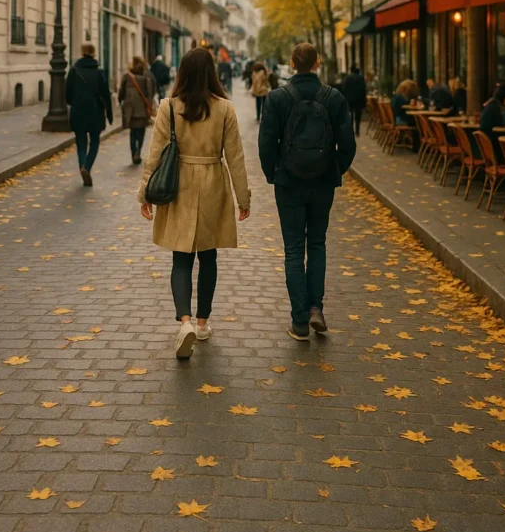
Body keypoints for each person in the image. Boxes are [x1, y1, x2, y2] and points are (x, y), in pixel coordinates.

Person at [139, 47, 250, 359]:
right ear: (212, 73)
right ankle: (202, 323)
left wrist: (144, 194)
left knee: (181, 258)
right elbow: (236, 156)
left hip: (179, 186)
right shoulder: (225, 108)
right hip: (212, 180)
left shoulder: (169, 106)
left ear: (182, 73)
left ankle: (184, 320)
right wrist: (244, 197)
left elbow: (155, 154)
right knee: (209, 256)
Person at [258, 42, 356, 341]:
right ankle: (316, 308)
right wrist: (334, 169)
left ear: (291, 62)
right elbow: (349, 145)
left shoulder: (277, 98)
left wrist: (273, 174)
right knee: (316, 245)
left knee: (292, 249)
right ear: (317, 63)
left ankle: (299, 321)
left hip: (288, 183)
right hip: (323, 183)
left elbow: (265, 144)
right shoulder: (334, 98)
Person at [65, 43, 113, 187]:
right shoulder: (99, 72)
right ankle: (87, 166)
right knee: (95, 141)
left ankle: (83, 167)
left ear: (82, 52)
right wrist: (109, 114)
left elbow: (67, 93)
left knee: (81, 143)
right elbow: (106, 95)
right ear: (94, 53)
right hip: (95, 112)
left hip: (78, 111)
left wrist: (73, 102)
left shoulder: (74, 71)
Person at [119, 56, 157, 165]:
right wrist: (149, 105)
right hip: (142, 109)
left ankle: (133, 153)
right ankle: (138, 152)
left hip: (130, 109)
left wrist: (121, 100)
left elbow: (122, 91)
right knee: (141, 132)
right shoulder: (147, 75)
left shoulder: (127, 76)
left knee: (133, 132)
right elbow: (151, 91)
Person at [341, 64, 368, 136]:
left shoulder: (347, 78)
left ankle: (351, 130)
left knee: (350, 115)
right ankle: (357, 130)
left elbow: (343, 88)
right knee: (358, 115)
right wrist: (364, 101)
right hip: (358, 99)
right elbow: (363, 90)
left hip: (349, 99)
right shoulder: (361, 78)